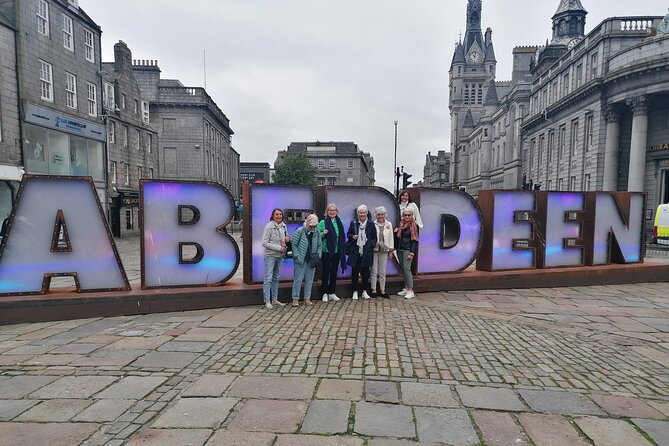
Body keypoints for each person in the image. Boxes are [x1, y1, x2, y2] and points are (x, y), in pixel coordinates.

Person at [346, 204, 377, 300]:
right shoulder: (354, 223)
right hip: (356, 251)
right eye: (360, 213)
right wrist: (352, 237)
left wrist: (370, 244)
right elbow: (348, 234)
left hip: (366, 251)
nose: (362, 214)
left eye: (364, 212)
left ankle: (364, 291)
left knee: (365, 272)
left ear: (367, 213)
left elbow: (374, 238)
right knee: (354, 272)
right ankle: (355, 291)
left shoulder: (371, 224)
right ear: (357, 214)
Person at [261, 208, 290, 309]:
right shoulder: (269, 226)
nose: (279, 216)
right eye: (277, 214)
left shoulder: (284, 226)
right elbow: (264, 243)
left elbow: (284, 240)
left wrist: (287, 240)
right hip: (271, 255)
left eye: (280, 214)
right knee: (268, 278)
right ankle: (267, 301)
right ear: (273, 216)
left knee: (276, 278)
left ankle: (275, 299)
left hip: (280, 256)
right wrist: (278, 248)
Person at [290, 214, 321, 306]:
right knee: (298, 279)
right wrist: (296, 256)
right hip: (301, 259)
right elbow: (294, 244)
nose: (312, 227)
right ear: (307, 223)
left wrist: (318, 255)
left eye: (314, 226)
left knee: (309, 279)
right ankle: (295, 298)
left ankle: (307, 298)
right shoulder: (300, 231)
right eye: (311, 225)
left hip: (312, 260)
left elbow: (319, 245)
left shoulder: (317, 232)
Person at [317, 204, 346, 302]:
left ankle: (332, 292)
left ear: (336, 212)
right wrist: (323, 233)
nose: (332, 212)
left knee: (334, 272)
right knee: (326, 272)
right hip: (326, 251)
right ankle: (324, 293)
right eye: (330, 210)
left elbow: (342, 236)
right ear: (327, 211)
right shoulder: (322, 222)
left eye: (334, 210)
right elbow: (316, 236)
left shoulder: (340, 222)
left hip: (337, 251)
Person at [395, 207, 419, 299]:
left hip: (407, 249)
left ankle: (410, 290)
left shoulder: (413, 225)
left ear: (412, 215)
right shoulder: (401, 224)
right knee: (403, 269)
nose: (407, 216)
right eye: (405, 215)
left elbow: (414, 240)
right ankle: (406, 288)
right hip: (400, 249)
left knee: (407, 269)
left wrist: (411, 252)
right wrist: (395, 232)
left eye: (409, 215)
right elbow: (398, 237)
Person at [371, 206, 394, 298]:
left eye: (382, 214)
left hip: (384, 251)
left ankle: (382, 290)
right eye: (378, 214)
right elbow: (370, 237)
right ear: (376, 215)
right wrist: (373, 243)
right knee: (373, 270)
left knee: (382, 271)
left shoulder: (389, 224)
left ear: (385, 215)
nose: (380, 216)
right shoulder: (372, 224)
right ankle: (373, 290)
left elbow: (391, 238)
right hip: (374, 250)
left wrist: (391, 251)